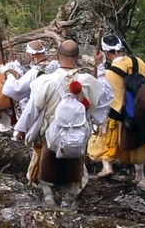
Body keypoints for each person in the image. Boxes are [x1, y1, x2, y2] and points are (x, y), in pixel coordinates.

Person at [13, 39, 112, 209]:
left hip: (49, 132)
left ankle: (49, 198)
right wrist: (101, 67)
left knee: (45, 163)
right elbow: (105, 99)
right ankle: (69, 199)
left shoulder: (45, 81)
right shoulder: (88, 81)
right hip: (78, 133)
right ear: (78, 58)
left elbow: (32, 109)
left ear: (58, 57)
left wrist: (20, 129)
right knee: (75, 164)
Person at [88, 34, 145, 181]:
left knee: (106, 139)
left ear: (106, 53)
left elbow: (104, 92)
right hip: (139, 111)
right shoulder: (138, 62)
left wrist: (100, 67)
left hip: (118, 113)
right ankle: (139, 175)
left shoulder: (110, 72)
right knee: (139, 141)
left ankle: (107, 167)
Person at [0, 40, 59, 114]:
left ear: (32, 55)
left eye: (27, 53)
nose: (25, 55)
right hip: (56, 105)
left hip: (42, 109)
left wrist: (8, 73)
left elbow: (15, 88)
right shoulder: (55, 65)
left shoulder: (33, 73)